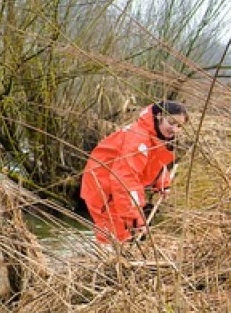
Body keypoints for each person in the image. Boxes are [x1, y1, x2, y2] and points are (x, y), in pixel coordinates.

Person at [80, 100, 186, 244]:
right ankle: (113, 260)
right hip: (103, 187)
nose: (174, 129)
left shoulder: (154, 135)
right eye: (171, 122)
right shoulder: (138, 139)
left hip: (116, 184)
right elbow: (124, 179)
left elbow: (153, 163)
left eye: (179, 126)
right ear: (160, 115)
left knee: (126, 234)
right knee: (115, 236)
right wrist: (134, 217)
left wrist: (162, 182)